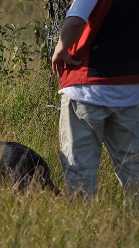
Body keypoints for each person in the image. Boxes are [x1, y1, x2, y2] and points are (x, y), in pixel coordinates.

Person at [51, 0, 139, 198]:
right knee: (135, 171)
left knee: (80, 170)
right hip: (131, 90)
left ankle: (82, 225)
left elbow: (75, 22)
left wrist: (61, 48)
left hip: (86, 87)